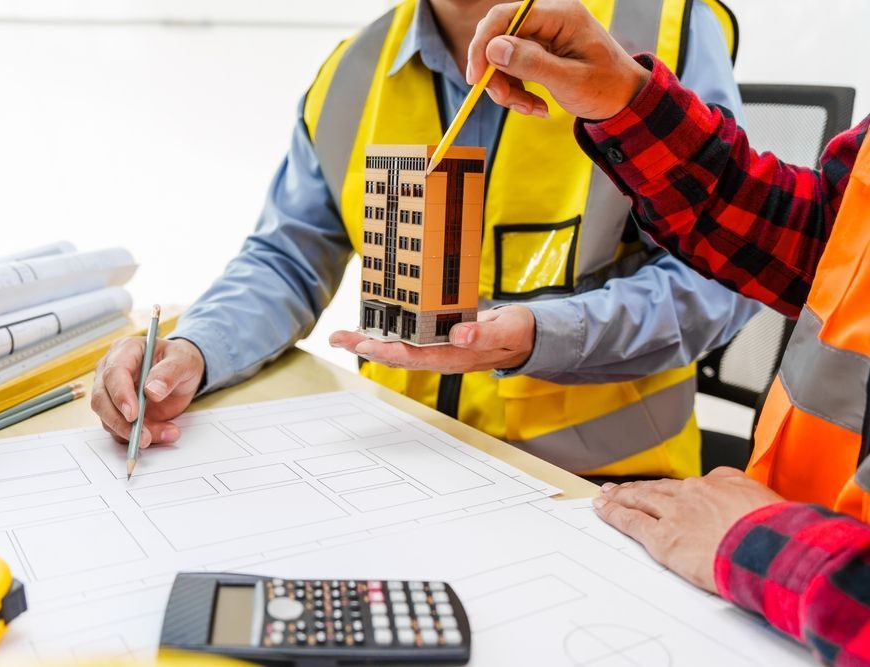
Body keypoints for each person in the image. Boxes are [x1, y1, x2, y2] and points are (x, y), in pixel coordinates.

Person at [91, 0, 759, 481]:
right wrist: (191, 350)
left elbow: (722, 280)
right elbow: (287, 258)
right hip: (400, 467)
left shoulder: (664, 28)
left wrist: (543, 333)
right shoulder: (351, 73)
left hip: (604, 488)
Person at [465, 1, 870, 663]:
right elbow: (824, 241)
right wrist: (622, 99)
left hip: (777, 566)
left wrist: (764, 544)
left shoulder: (674, 18)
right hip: (765, 584)